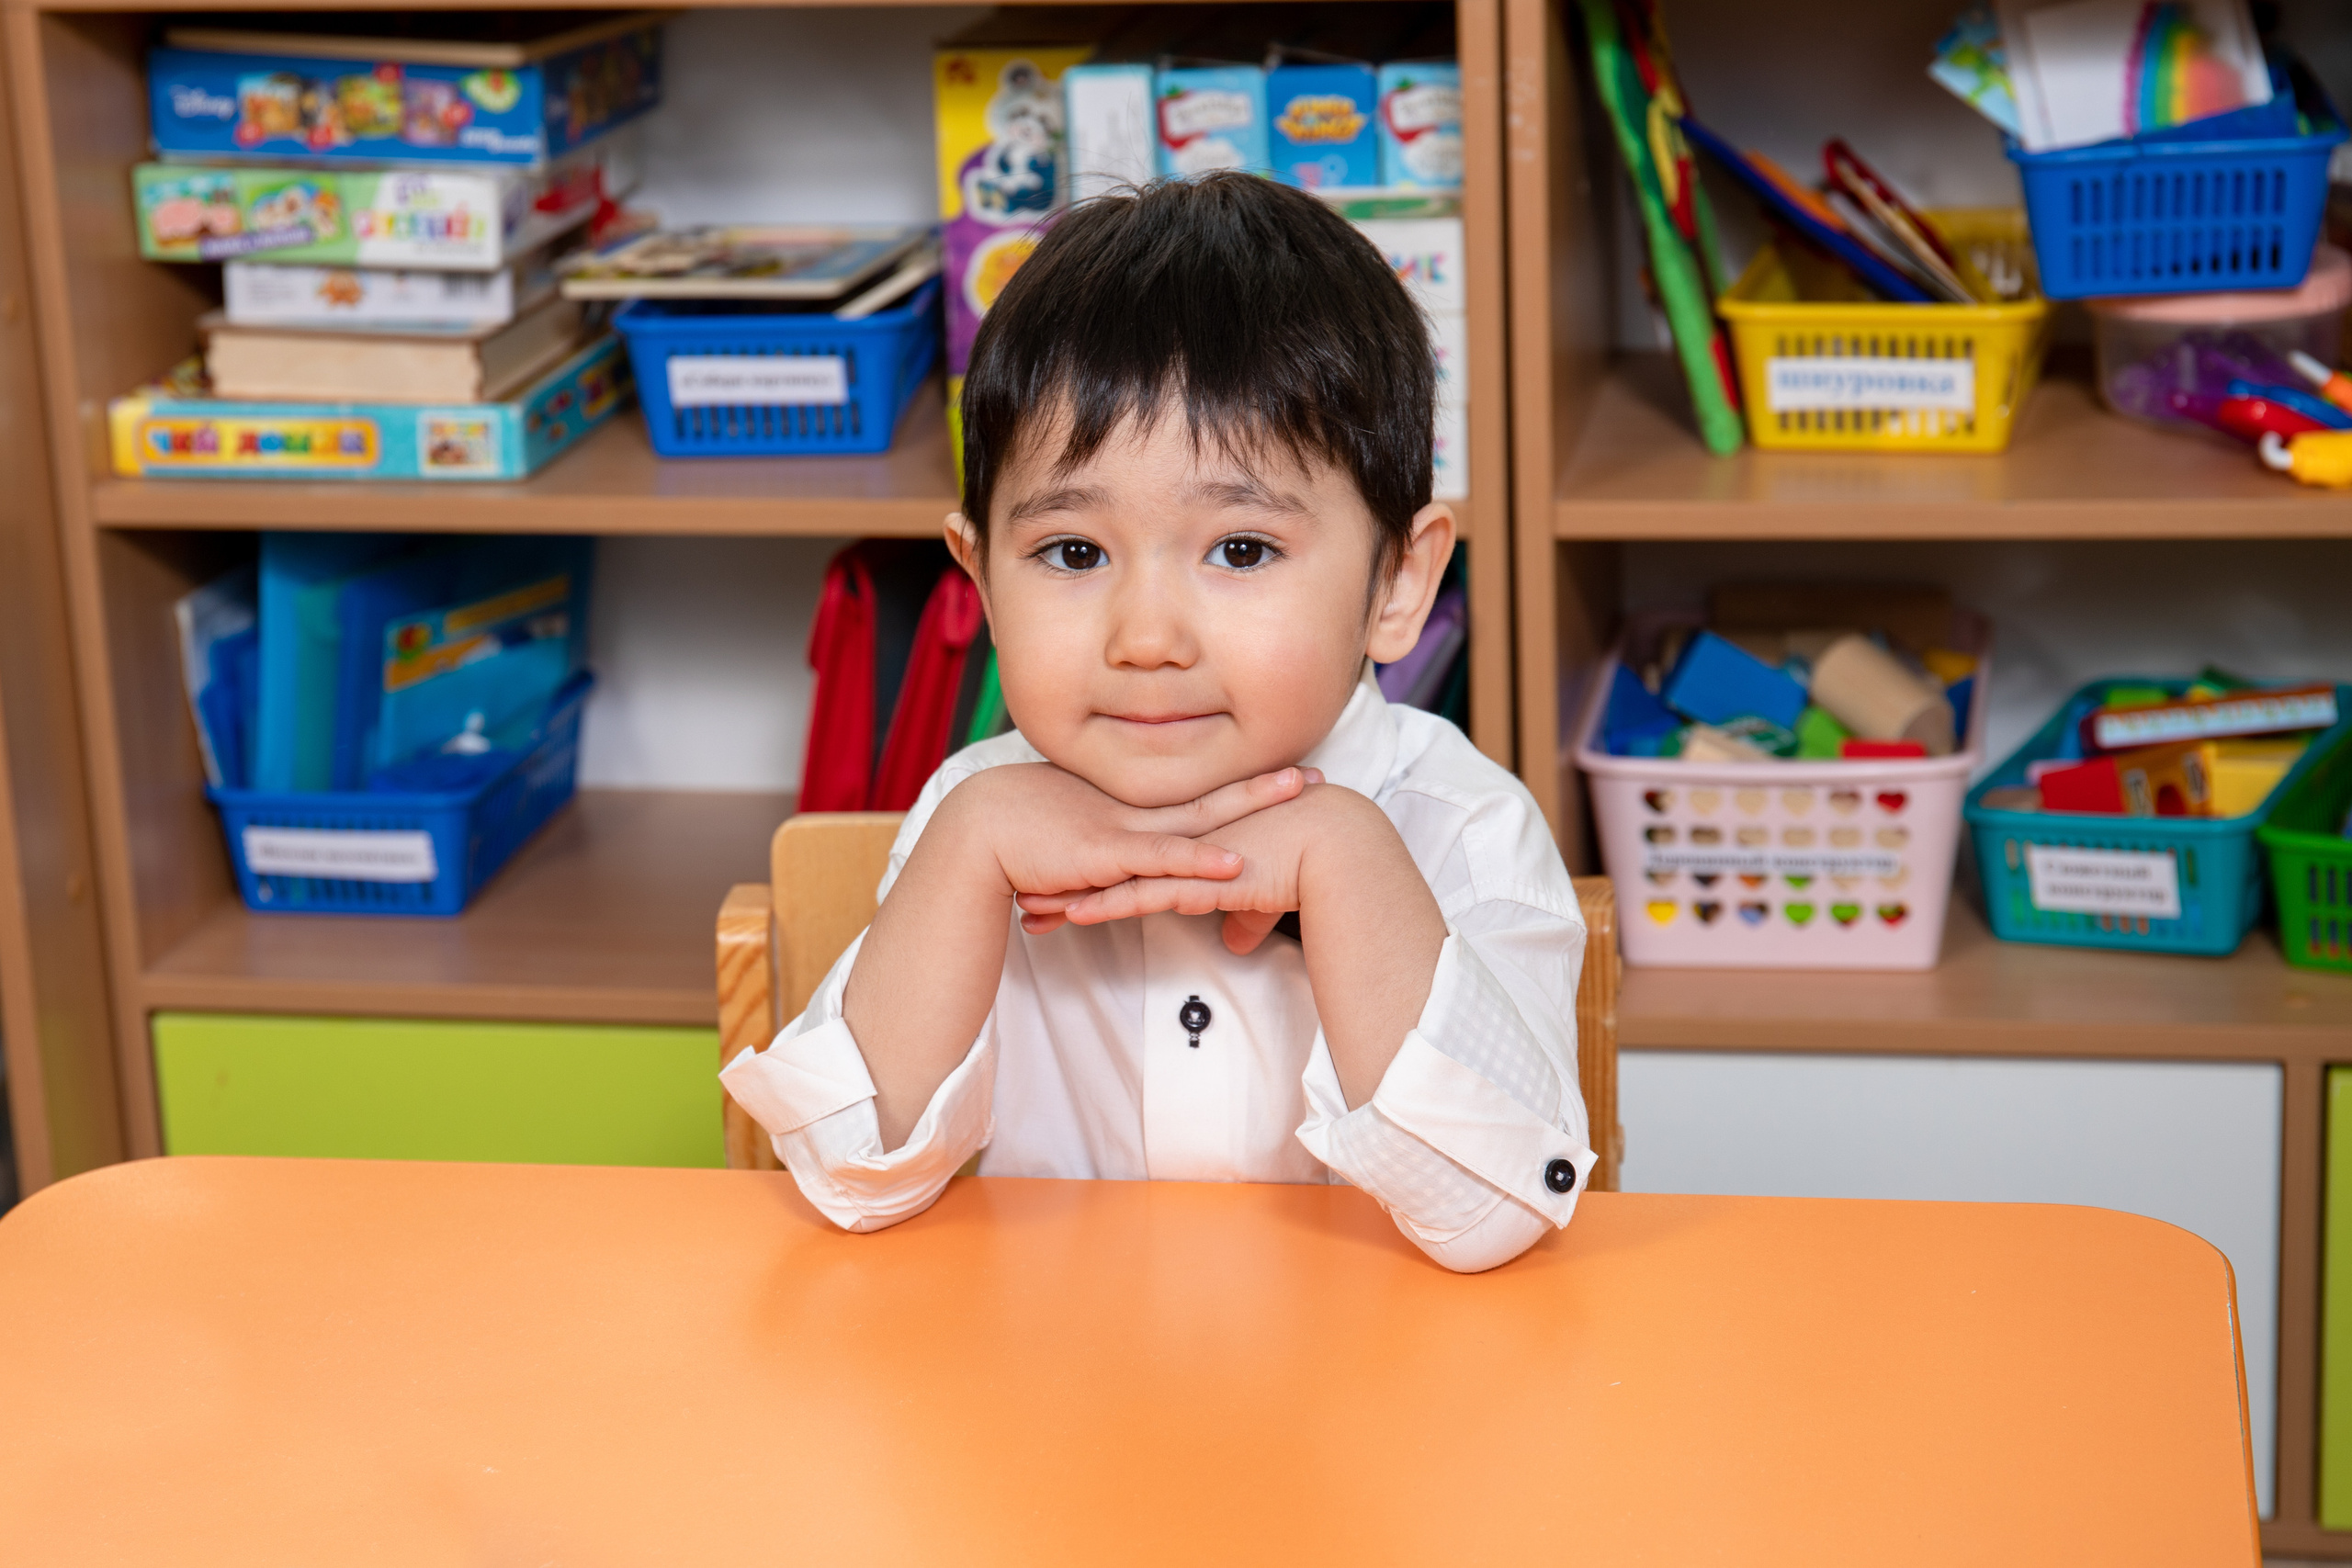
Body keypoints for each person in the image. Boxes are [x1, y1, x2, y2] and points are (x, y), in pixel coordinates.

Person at [722, 172, 1593, 1273]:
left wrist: (1348, 863)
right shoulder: (971, 814)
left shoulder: (1463, 831)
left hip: (1369, 1413)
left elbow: (1497, 1214)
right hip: (1057, 1402)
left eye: (1241, 550)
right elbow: (849, 1173)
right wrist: (966, 855)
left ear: (1397, 586)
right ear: (982, 581)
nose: (1145, 637)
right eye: (1073, 554)